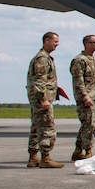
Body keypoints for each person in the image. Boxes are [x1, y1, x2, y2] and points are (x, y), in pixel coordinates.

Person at [26, 31, 64, 168]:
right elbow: (39, 81)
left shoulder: (44, 57)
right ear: (46, 40)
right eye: (55, 42)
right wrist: (44, 99)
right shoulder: (42, 59)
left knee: (36, 127)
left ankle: (33, 157)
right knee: (48, 128)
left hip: (39, 98)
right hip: (41, 100)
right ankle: (45, 158)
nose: (57, 45)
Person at [70, 34, 95, 160]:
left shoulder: (93, 60)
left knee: (90, 125)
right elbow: (78, 81)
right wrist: (85, 97)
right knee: (88, 124)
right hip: (87, 98)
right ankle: (88, 150)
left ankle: (78, 150)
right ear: (87, 44)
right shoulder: (79, 60)